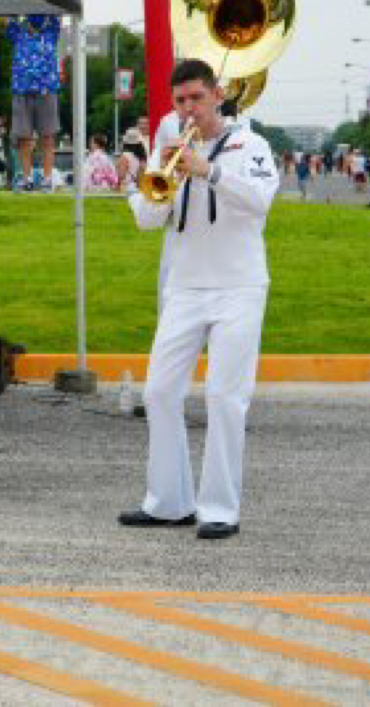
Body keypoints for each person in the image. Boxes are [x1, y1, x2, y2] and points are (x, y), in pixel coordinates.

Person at [120, 59, 279, 540]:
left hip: (239, 286)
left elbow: (259, 202)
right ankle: (168, 502)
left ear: (217, 96)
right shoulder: (169, 147)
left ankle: (219, 510)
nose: (189, 109)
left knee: (225, 397)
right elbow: (147, 221)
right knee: (159, 392)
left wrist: (208, 171)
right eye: (180, 100)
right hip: (186, 287)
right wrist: (155, 182)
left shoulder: (251, 144)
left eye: (197, 98)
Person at [6, 14, 62, 192]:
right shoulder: (18, 33)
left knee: (48, 137)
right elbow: (8, 17)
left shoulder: (51, 31)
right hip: (22, 89)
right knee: (24, 137)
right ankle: (27, 178)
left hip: (47, 89)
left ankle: (47, 179)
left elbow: (57, 11)